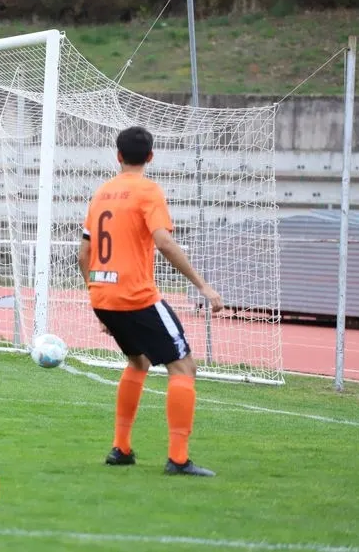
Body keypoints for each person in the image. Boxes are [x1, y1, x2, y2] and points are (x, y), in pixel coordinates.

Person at [78, 125, 224, 477]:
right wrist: (203, 286)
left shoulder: (101, 193)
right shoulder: (148, 191)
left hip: (103, 294)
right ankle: (178, 459)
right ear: (151, 157)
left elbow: (84, 253)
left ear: (117, 156)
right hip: (136, 295)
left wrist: (96, 294)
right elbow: (165, 242)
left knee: (138, 362)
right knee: (184, 367)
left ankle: (122, 449)